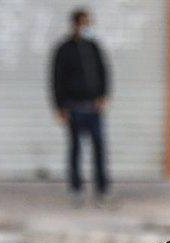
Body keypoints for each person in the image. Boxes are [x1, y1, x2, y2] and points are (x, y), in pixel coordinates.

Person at [51, 7, 110, 205]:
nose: (88, 27)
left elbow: (103, 72)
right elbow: (56, 79)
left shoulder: (93, 47)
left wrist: (103, 96)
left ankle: (102, 190)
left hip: (93, 108)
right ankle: (76, 190)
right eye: (84, 23)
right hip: (74, 108)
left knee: (99, 149)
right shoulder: (64, 49)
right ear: (76, 24)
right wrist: (60, 107)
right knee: (76, 150)